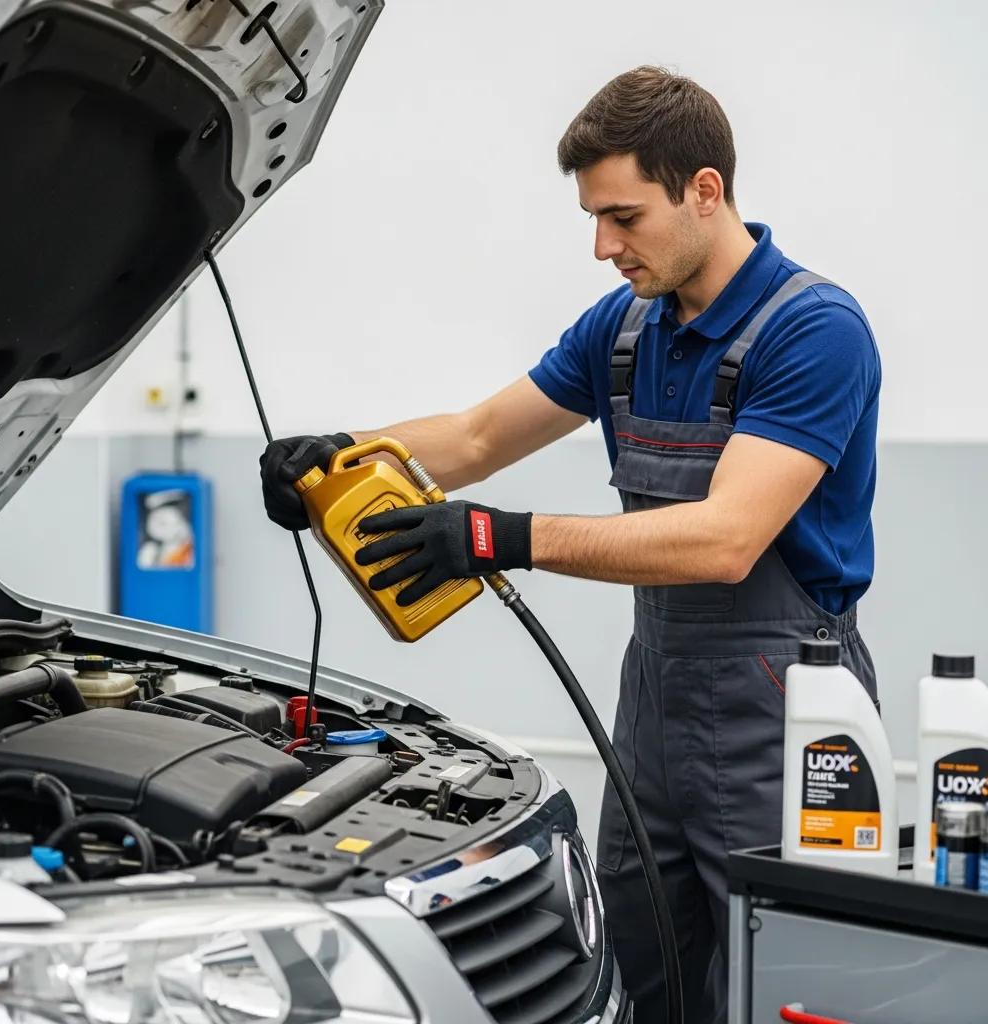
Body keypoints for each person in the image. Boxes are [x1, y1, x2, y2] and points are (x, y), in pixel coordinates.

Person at [259, 66, 880, 1022]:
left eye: (624, 217)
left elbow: (724, 541)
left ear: (704, 190)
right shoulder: (624, 330)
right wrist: (336, 457)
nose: (603, 246)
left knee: (777, 983)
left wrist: (503, 539)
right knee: (643, 963)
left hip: (785, 712)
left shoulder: (813, 331)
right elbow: (474, 439)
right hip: (655, 701)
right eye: (594, 218)